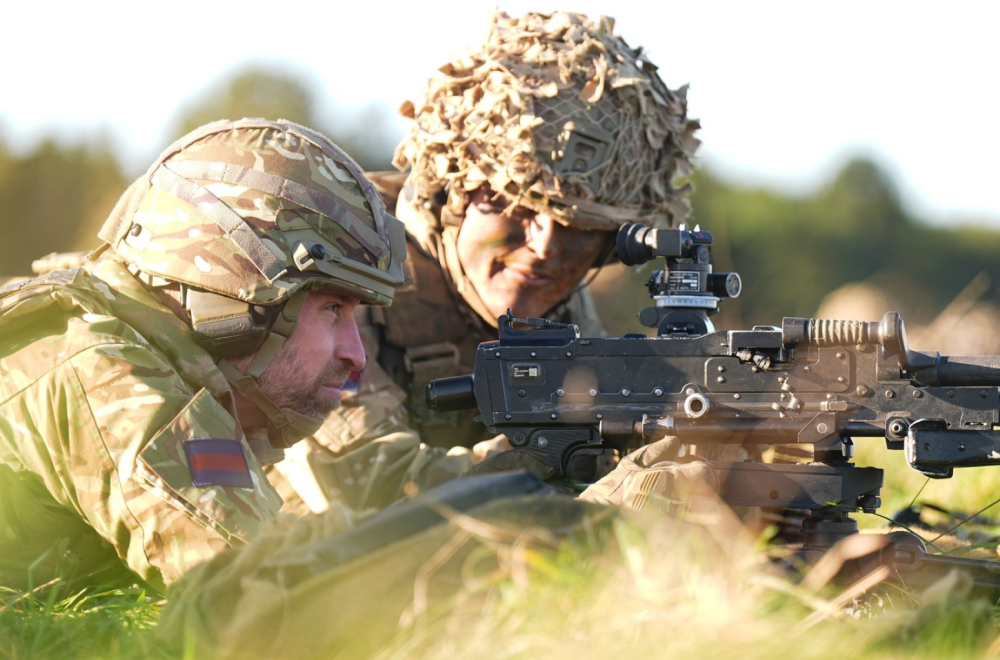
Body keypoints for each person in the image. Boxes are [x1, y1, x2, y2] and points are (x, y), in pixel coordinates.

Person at [270, 10, 702, 514]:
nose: (544, 248)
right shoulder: (343, 264)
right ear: (453, 193)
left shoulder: (560, 306)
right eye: (517, 206)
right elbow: (369, 488)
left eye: (581, 229)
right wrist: (607, 491)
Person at [0, 117, 408, 593]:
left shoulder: (160, 354)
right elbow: (272, 587)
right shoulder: (102, 369)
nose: (356, 356)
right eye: (333, 309)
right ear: (237, 297)